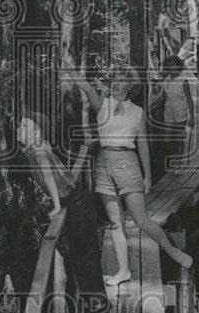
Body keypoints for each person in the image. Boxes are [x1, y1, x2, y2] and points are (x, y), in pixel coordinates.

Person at [61, 53, 192, 284]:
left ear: (130, 85)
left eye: (123, 78)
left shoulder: (138, 112)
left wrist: (148, 175)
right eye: (115, 78)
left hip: (128, 163)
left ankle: (172, 250)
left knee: (141, 220)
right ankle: (123, 271)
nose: (118, 82)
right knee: (115, 222)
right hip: (103, 165)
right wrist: (69, 68)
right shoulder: (103, 104)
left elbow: (142, 144)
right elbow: (86, 86)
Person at [17, 111, 108, 313]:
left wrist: (56, 206)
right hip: (77, 201)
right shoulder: (40, 147)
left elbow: (48, 177)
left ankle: (98, 302)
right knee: (79, 255)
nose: (17, 129)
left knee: (85, 255)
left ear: (36, 132)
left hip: (77, 204)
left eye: (24, 126)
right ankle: (91, 303)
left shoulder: (39, 152)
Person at [159, 55, 196, 174]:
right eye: (169, 66)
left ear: (179, 67)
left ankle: (178, 165)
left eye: (174, 66)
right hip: (168, 111)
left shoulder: (183, 81)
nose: (171, 69)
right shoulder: (166, 81)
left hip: (180, 111)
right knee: (167, 139)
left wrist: (192, 117)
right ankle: (173, 159)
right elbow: (163, 97)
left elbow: (189, 99)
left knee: (178, 139)